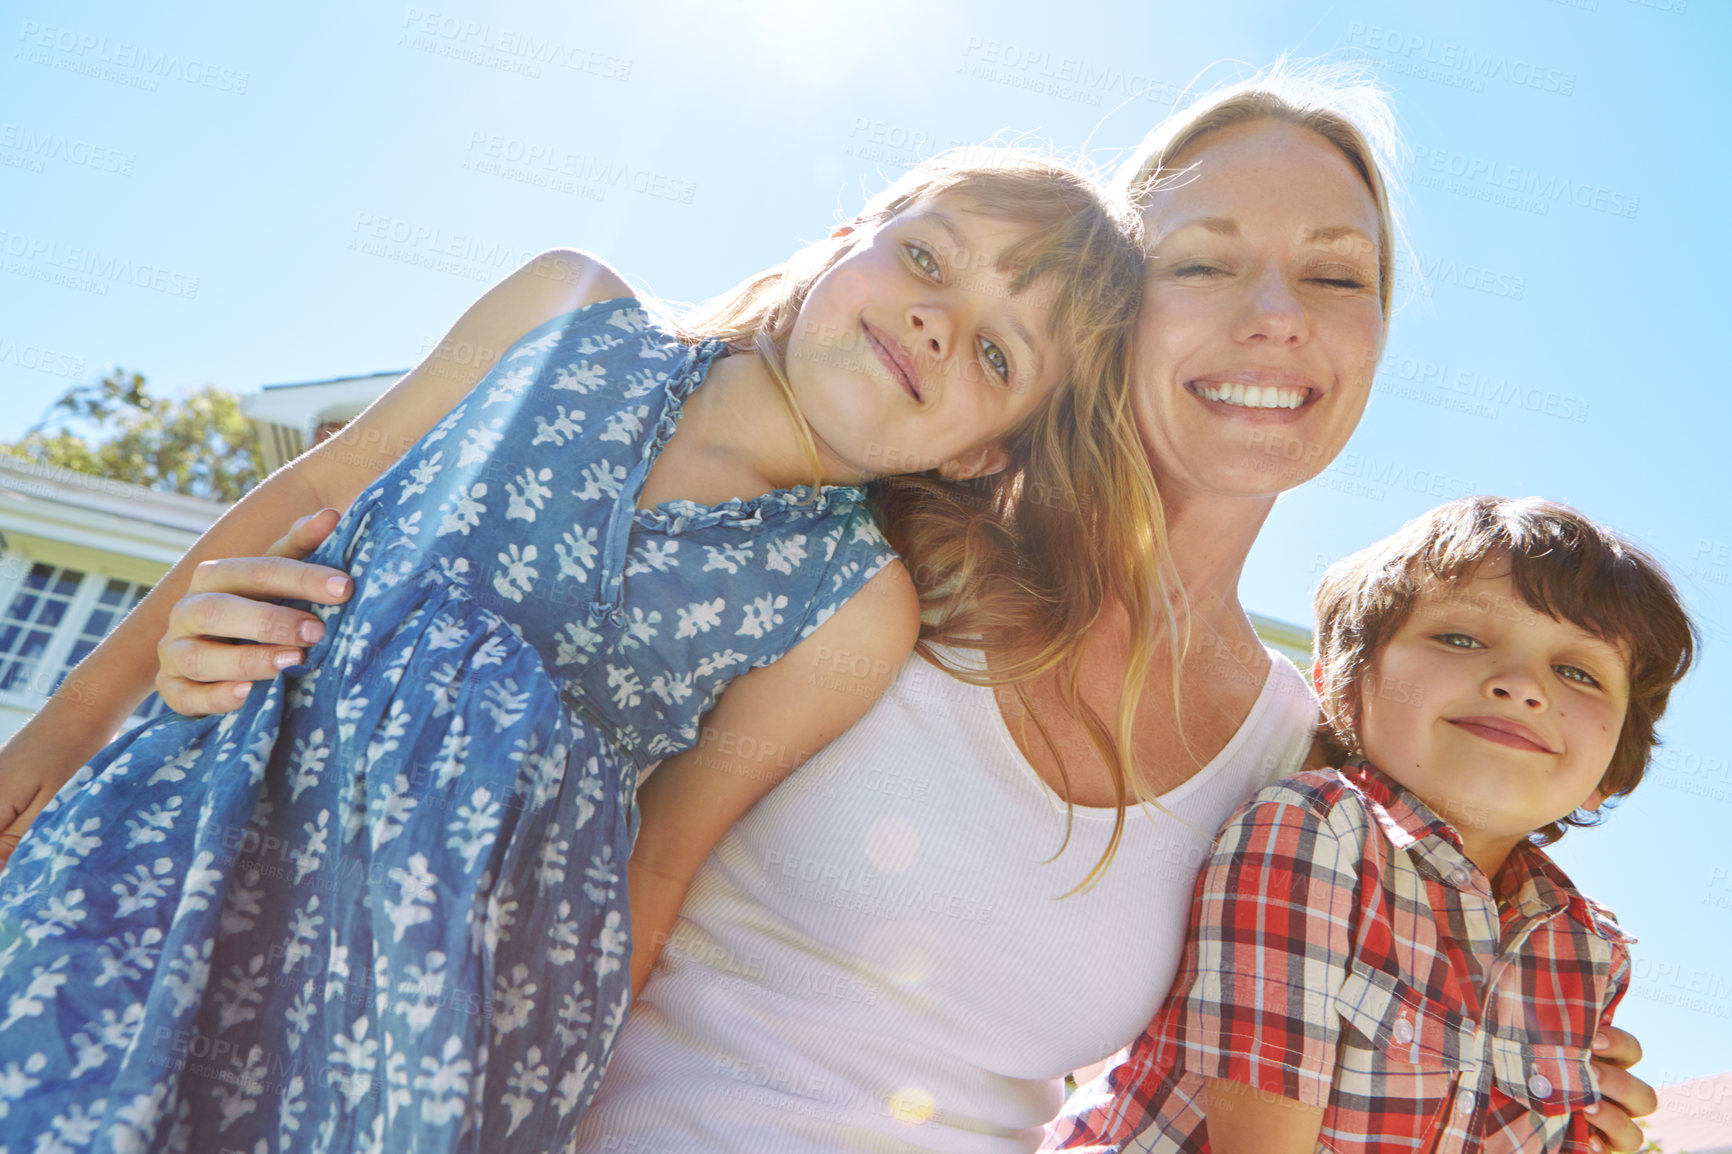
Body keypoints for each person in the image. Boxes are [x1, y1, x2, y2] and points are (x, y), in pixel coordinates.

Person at [34, 64, 1660, 1152]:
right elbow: (478, 651)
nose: (1268, 313)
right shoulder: (868, 529)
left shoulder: (1303, 753)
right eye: (1204, 256)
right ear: (1103, 312)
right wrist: (251, 660)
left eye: (1334, 272)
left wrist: (1541, 1062)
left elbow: (1333, 1019)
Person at [0, 153, 1152, 1151]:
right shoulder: (565, 310)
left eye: (998, 357)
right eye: (927, 259)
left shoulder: (849, 604)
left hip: (406, 1006)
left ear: (978, 459)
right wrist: (61, 729)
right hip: (181, 836)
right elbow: (306, 490)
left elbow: (657, 867)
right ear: (845, 238)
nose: (938, 323)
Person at [1046, 496, 1696, 1153]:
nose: (1522, 685)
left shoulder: (1589, 948)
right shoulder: (1315, 829)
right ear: (1345, 688)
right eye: (1461, 638)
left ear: (1614, 768)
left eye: (1577, 672)